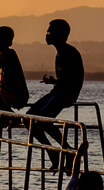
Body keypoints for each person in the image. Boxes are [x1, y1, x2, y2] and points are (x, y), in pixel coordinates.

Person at [26, 19, 84, 169]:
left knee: (43, 119)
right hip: (58, 90)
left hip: (68, 92)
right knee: (28, 119)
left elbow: (74, 79)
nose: (46, 34)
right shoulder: (59, 53)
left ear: (60, 34)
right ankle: (51, 151)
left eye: (50, 32)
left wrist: (55, 81)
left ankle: (68, 150)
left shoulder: (69, 52)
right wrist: (54, 82)